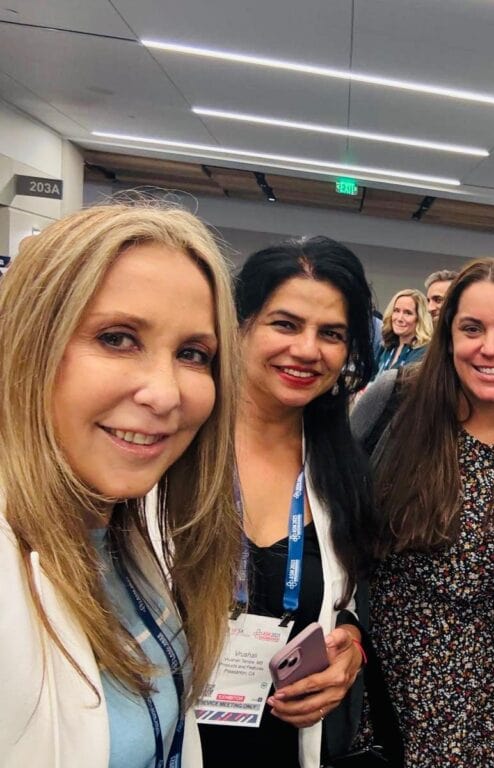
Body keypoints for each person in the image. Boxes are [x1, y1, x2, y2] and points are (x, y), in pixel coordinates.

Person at [0, 202, 240, 766]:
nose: (165, 393)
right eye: (117, 338)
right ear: (28, 343)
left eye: (192, 354)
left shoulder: (133, 525)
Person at [352, 257, 494, 767]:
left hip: (490, 714)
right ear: (448, 333)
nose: (491, 348)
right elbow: (331, 514)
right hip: (381, 697)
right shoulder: (396, 405)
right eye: (472, 328)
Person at [198, 237, 392, 767]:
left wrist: (350, 643)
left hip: (288, 744)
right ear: (239, 326)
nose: (308, 350)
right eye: (285, 324)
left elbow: (346, 599)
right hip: (171, 739)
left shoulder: (341, 471)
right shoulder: (174, 451)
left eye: (331, 334)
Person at [374, 288, 432, 375]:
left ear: (420, 318)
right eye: (396, 311)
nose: (399, 318)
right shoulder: (385, 347)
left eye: (408, 313)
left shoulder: (423, 352)